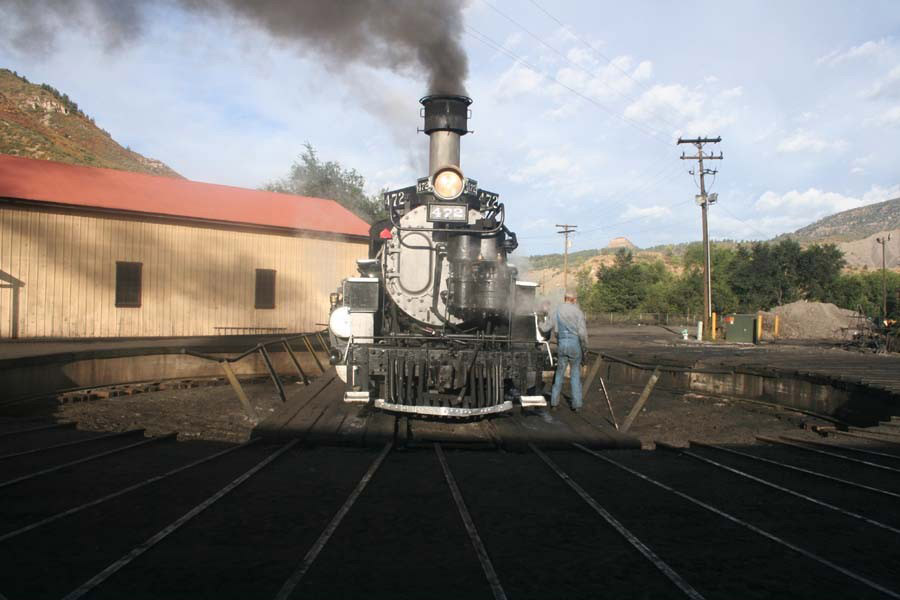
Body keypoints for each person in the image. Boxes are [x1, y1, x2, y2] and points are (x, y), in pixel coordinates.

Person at [539, 292, 589, 411]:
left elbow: (545, 327)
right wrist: (585, 349)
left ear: (565, 299)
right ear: (574, 300)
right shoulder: (578, 312)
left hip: (562, 345)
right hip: (574, 345)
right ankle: (576, 405)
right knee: (575, 375)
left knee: (559, 373)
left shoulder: (556, 310)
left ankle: (554, 403)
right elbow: (582, 334)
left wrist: (539, 322)